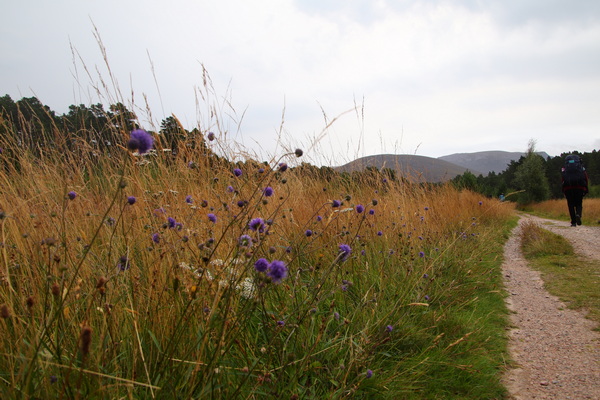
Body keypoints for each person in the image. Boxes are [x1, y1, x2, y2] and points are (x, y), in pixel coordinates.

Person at [561, 154, 589, 226]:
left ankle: (573, 222)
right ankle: (578, 215)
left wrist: (563, 189)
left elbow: (563, 179)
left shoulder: (565, 168)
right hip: (579, 187)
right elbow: (585, 178)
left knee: (570, 205)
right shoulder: (581, 168)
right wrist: (586, 188)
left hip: (568, 188)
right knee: (579, 203)